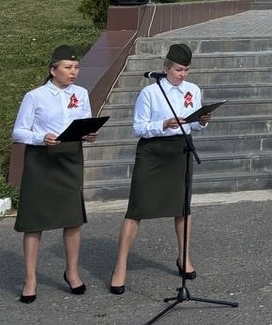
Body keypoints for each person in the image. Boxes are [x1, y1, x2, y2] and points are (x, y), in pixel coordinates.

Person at [110, 43, 212, 295]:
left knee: (182, 207)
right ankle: (120, 266)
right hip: (153, 152)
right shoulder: (151, 92)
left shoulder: (192, 90)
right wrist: (163, 124)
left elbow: (192, 125)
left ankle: (184, 257)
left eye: (186, 70)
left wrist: (202, 121)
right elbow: (138, 127)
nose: (182, 74)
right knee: (137, 208)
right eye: (178, 70)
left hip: (180, 150)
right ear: (166, 68)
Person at [12, 45, 99, 303]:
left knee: (72, 219)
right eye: (68, 67)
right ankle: (30, 278)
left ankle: (72, 272)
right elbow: (19, 132)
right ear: (53, 70)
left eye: (77, 67)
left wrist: (89, 134)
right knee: (35, 221)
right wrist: (41, 137)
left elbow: (84, 121)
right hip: (42, 159)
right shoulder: (35, 96)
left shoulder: (80, 94)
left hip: (70, 158)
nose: (74, 72)